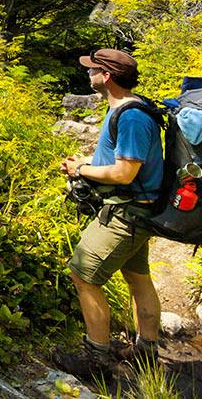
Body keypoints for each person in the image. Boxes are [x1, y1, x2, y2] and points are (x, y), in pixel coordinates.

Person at [56, 48, 164, 379]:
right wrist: (85, 162)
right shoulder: (125, 108)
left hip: (125, 215)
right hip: (138, 212)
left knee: (84, 275)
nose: (87, 74)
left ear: (107, 77)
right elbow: (118, 161)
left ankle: (96, 361)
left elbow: (124, 173)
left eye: (93, 70)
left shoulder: (130, 117)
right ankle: (146, 354)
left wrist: (80, 173)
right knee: (137, 278)